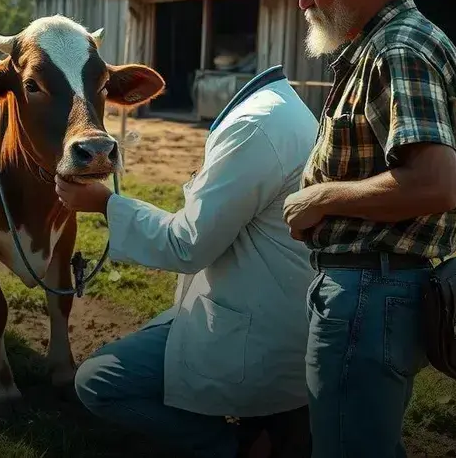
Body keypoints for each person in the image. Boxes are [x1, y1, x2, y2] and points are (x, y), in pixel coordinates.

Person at [266, 0, 456, 457]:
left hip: (370, 291)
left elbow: (435, 184)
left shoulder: (396, 51)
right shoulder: (385, 46)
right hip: (377, 290)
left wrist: (323, 198)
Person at [56, 64, 319, 458]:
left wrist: (106, 204)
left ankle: (229, 445)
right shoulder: (287, 107)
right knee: (158, 331)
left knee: (96, 381)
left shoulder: (251, 128)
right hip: (273, 301)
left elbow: (186, 245)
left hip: (254, 331)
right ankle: (265, 426)